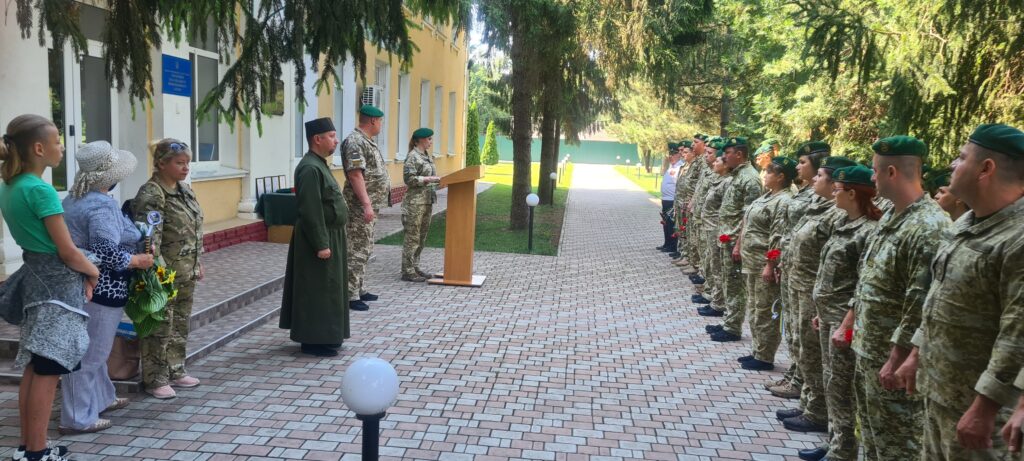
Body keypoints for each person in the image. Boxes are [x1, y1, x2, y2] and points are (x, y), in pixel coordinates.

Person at [892, 124, 1024, 460]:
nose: (953, 164)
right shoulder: (965, 224)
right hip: (940, 395)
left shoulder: (1016, 239)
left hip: (982, 416)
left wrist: (985, 406)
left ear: (986, 168)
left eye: (962, 157)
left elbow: (1017, 333)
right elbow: (939, 298)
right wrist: (916, 354)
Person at [0, 114, 100, 461]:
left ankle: (29, 447)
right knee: (48, 369)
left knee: (36, 366)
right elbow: (67, 250)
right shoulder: (40, 189)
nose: (62, 147)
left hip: (36, 280)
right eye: (57, 141)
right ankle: (38, 452)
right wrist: (93, 272)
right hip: (57, 286)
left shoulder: (10, 185)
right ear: (39, 148)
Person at [848, 135, 951, 460]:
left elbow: (921, 303)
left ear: (892, 172)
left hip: (894, 362)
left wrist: (897, 357)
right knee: (874, 440)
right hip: (870, 351)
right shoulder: (893, 215)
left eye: (875, 171)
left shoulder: (929, 226)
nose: (871, 177)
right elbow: (870, 279)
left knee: (898, 446)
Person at [59, 141, 153, 434]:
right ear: (108, 177)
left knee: (95, 348)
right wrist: (136, 260)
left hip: (83, 283)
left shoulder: (73, 199)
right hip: (102, 287)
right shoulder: (100, 204)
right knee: (91, 354)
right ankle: (77, 417)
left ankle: (102, 397)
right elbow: (105, 249)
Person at [808, 165, 882, 461]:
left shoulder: (868, 231)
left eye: (837, 189)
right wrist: (819, 310)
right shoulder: (842, 222)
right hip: (828, 315)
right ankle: (835, 442)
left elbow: (862, 283)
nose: (833, 193)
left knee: (841, 385)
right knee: (831, 380)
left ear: (852, 194)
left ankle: (843, 451)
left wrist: (846, 322)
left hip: (843, 319)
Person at [777, 155, 854, 435]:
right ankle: (809, 403)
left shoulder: (837, 213)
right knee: (802, 346)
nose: (815, 180)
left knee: (812, 352)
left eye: (820, 176)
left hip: (815, 291)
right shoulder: (819, 206)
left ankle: (816, 411)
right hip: (802, 284)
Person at [131, 138, 205, 399]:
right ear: (161, 164)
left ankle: (175, 369)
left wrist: (197, 262)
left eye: (187, 163)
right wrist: (159, 275)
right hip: (162, 273)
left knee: (179, 323)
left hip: (186, 270)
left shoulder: (184, 190)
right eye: (179, 163)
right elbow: (149, 240)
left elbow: (193, 230)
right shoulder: (152, 194)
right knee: (159, 325)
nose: (185, 168)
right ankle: (155, 378)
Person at [279, 117, 350, 358]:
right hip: (319, 238)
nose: (336, 140)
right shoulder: (310, 168)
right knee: (318, 289)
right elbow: (311, 209)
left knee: (329, 288)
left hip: (332, 235)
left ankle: (328, 335)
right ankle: (313, 340)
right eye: (331, 136)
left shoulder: (319, 164)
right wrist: (321, 244)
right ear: (317, 139)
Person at [769, 141, 831, 404]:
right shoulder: (805, 192)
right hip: (793, 268)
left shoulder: (820, 197)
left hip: (807, 275)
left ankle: (803, 386)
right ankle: (795, 377)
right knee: (793, 330)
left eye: (803, 162)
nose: (798, 166)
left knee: (803, 335)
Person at [734, 156, 795, 371]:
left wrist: (771, 264)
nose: (765, 175)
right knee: (754, 306)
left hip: (763, 263)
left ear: (781, 177)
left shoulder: (784, 200)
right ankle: (757, 350)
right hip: (752, 261)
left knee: (765, 309)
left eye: (769, 172)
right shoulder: (767, 196)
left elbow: (778, 236)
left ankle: (765, 356)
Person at [707, 136, 762, 343]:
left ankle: (733, 327)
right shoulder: (737, 175)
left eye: (727, 153)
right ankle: (729, 321)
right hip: (726, 237)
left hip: (734, 240)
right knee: (729, 282)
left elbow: (748, 217)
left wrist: (739, 243)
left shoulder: (750, 179)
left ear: (739, 154)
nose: (723, 156)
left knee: (735, 284)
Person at [342, 105, 390, 311]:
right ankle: (349, 295)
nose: (381, 125)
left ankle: (358, 288)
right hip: (358, 208)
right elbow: (355, 174)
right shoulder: (355, 142)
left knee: (365, 248)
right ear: (372, 121)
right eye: (380, 121)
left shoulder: (366, 141)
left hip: (368, 207)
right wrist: (366, 205)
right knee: (356, 250)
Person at [400, 128, 442, 282]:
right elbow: (409, 179)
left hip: (427, 201)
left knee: (422, 237)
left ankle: (415, 267)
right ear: (420, 140)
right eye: (429, 139)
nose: (431, 142)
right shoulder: (413, 156)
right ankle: (407, 271)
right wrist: (427, 179)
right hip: (414, 203)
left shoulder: (426, 156)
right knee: (412, 237)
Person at [695, 143, 731, 317]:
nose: (714, 162)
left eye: (717, 159)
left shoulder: (727, 182)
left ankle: (718, 302)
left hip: (716, 229)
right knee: (711, 264)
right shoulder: (718, 179)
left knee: (717, 268)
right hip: (709, 226)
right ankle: (713, 297)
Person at [657, 143, 684, 254]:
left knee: (672, 224)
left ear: (679, 154)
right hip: (665, 199)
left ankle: (672, 246)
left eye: (673, 154)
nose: (670, 156)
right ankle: (666, 243)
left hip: (673, 200)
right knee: (665, 223)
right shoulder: (670, 167)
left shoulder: (680, 167)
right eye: (670, 154)